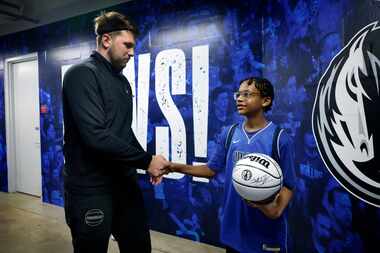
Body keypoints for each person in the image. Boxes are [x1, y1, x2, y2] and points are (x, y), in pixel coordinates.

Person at [62, 11, 169, 253]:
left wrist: (147, 161)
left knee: (139, 246)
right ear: (107, 40)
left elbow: (122, 131)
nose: (132, 52)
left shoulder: (122, 82)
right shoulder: (81, 74)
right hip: (91, 187)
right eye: (127, 45)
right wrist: (147, 160)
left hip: (124, 183)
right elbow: (95, 135)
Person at [166, 77, 296, 252]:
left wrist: (275, 209)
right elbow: (211, 170)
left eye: (247, 94)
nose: (240, 99)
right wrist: (174, 166)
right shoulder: (229, 133)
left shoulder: (280, 139)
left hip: (265, 233)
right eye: (239, 94)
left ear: (266, 100)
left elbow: (288, 184)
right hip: (233, 230)